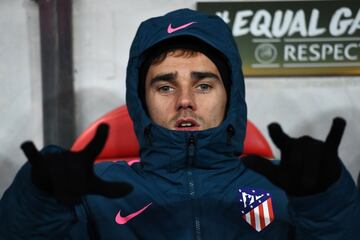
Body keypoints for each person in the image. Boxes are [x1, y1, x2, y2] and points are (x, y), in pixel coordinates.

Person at [0, 8, 359, 239]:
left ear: (230, 95)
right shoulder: (96, 192)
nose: (185, 101)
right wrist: (38, 197)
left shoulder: (290, 187)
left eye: (203, 84)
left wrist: (326, 201)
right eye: (165, 85)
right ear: (141, 100)